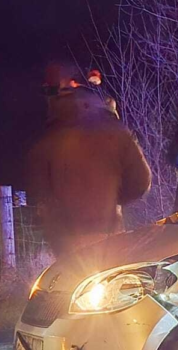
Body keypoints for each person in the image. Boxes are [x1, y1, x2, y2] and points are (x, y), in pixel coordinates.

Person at [26, 64, 152, 257]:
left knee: (70, 286)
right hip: (109, 238)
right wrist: (110, 200)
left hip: (67, 244)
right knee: (111, 284)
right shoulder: (114, 128)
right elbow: (141, 182)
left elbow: (39, 192)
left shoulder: (47, 138)